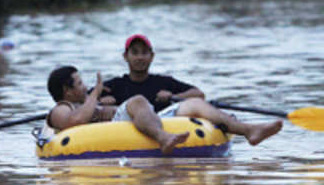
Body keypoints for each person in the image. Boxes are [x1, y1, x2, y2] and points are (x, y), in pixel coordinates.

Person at [101, 34, 283, 146]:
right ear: (126, 56)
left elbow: (199, 94)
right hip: (125, 124)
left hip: (161, 121)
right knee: (139, 100)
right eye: (135, 52)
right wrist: (100, 101)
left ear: (152, 56)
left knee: (195, 103)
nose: (139, 57)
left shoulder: (163, 81)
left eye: (144, 52)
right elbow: (82, 101)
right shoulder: (114, 85)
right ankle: (163, 138)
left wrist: (174, 96)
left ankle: (248, 130)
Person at [44, 65, 189, 154]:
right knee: (137, 100)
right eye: (80, 83)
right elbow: (78, 120)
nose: (85, 87)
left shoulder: (83, 105)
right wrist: (96, 92)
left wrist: (103, 105)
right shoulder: (60, 110)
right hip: (99, 139)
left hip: (118, 130)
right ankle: (163, 138)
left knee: (190, 105)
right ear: (67, 91)